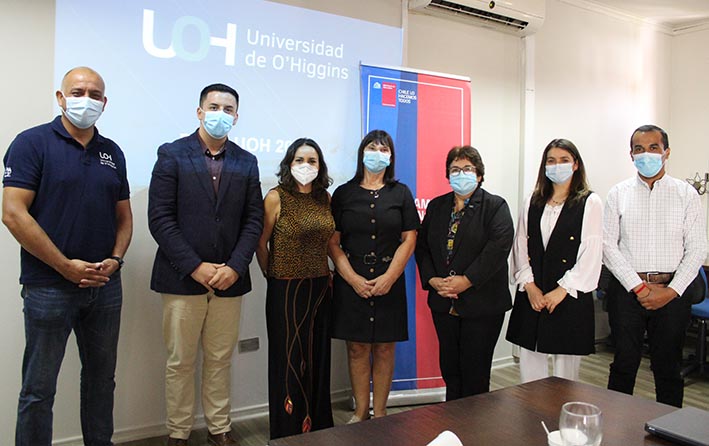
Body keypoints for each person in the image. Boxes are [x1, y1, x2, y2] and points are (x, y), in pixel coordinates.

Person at [2, 66, 132, 446]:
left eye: (94, 94)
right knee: (38, 389)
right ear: (61, 98)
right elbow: (13, 213)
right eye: (77, 92)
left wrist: (116, 260)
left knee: (101, 381)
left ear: (104, 103)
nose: (85, 100)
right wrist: (64, 266)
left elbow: (124, 218)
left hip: (104, 286)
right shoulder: (32, 143)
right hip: (49, 286)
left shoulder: (112, 152)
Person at [148, 83, 263, 446]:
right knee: (180, 362)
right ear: (199, 112)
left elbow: (253, 220)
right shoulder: (172, 154)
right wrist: (195, 267)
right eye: (214, 107)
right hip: (182, 278)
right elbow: (160, 218)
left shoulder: (246, 161)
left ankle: (219, 428)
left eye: (228, 109)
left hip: (230, 279)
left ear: (236, 117)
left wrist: (235, 266)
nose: (220, 114)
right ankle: (178, 433)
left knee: (219, 359)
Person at [603, 124, 707, 407]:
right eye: (639, 149)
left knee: (668, 367)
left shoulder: (686, 194)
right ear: (631, 155)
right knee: (624, 363)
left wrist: (670, 291)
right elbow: (608, 246)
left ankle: (669, 426)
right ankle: (616, 425)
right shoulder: (618, 193)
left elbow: (697, 248)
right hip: (627, 291)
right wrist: (638, 287)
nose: (645, 154)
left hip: (672, 292)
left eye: (653, 148)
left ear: (666, 152)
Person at [329, 130, 418, 422]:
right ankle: (360, 412)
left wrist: (390, 277)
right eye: (371, 147)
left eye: (383, 149)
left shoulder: (400, 193)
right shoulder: (343, 193)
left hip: (388, 279)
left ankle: (380, 413)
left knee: (384, 348)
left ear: (390, 157)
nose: (377, 153)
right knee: (356, 348)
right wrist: (353, 279)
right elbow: (333, 242)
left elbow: (409, 238)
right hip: (351, 280)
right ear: (361, 153)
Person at [415, 146, 513, 400]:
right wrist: (432, 279)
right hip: (443, 302)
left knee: (475, 373)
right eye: (455, 169)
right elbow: (422, 247)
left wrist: (467, 280)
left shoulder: (495, 206)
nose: (461, 174)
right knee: (451, 369)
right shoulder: (437, 207)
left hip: (482, 304)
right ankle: (453, 419)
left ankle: (474, 423)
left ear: (479, 174)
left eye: (467, 168)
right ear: (448, 175)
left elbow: (498, 248)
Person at [256, 138, 335, 439]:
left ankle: (320, 428)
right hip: (286, 290)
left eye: (312, 161)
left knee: (317, 359)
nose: (306, 166)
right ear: (289, 164)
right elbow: (260, 243)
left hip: (320, 288)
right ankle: (289, 432)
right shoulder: (276, 197)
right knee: (289, 361)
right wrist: (272, 273)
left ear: (320, 166)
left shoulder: (324, 198)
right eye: (299, 160)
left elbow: (328, 241)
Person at [505, 139, 603, 383]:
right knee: (530, 363)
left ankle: (562, 409)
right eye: (551, 161)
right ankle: (531, 408)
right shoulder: (533, 200)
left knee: (565, 373)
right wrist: (529, 286)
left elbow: (591, 253)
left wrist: (562, 290)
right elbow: (520, 245)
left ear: (576, 164)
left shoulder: (589, 202)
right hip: (533, 293)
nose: (557, 165)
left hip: (569, 294)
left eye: (564, 160)